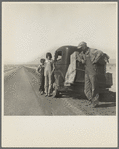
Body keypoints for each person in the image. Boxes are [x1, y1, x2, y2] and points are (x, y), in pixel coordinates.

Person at [77, 41, 109, 107]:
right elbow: (78, 56)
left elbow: (100, 52)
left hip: (93, 72)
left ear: (84, 46)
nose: (80, 49)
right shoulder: (82, 53)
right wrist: (81, 60)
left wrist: (95, 61)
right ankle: (91, 101)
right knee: (86, 89)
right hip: (87, 72)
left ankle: (95, 102)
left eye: (81, 47)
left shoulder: (92, 51)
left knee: (94, 88)